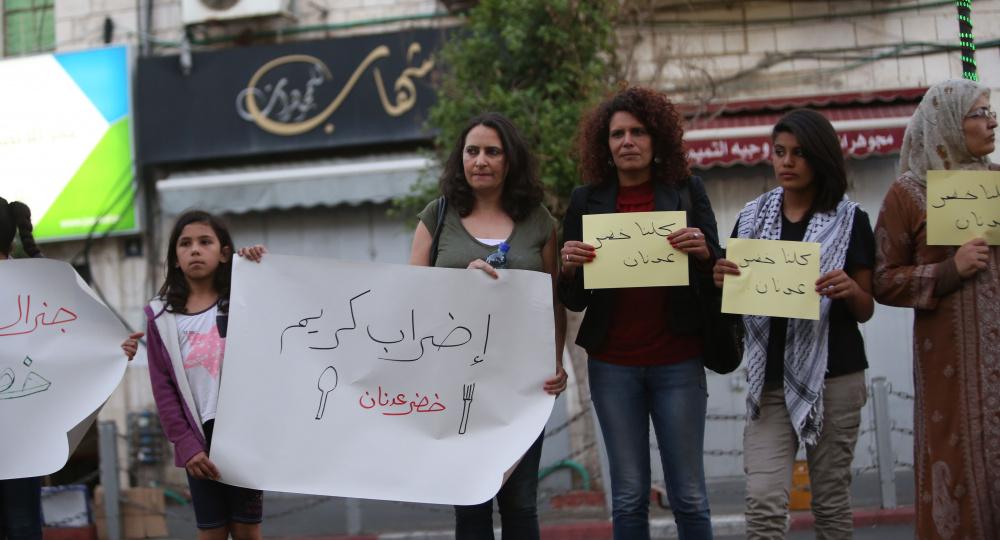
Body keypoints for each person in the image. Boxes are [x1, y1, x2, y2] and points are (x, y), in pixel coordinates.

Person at [558, 86, 717, 539]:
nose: (627, 141)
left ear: (656, 139)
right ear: (605, 145)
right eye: (617, 134)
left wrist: (705, 252)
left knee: (689, 496)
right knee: (628, 497)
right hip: (612, 366)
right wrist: (568, 268)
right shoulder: (585, 200)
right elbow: (575, 299)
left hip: (679, 361)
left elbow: (718, 272)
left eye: (638, 132)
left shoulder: (687, 192)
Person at [712, 109, 874, 539]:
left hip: (836, 377)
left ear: (820, 157)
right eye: (779, 152)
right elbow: (736, 297)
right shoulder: (752, 217)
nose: (786, 162)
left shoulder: (850, 219)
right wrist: (721, 279)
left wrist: (848, 290)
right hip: (769, 381)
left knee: (831, 503)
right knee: (763, 501)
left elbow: (866, 307)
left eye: (799, 153)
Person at [408, 112, 567, 540]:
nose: (480, 160)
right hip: (455, 385)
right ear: (460, 158)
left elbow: (553, 301)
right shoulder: (436, 216)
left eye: (492, 152)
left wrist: (556, 363)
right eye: (472, 151)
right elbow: (411, 297)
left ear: (509, 160)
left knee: (521, 505)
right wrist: (462, 283)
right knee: (470, 504)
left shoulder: (539, 221)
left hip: (522, 387)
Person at [872, 79, 999, 539]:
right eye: (979, 114)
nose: (992, 122)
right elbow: (883, 279)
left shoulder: (996, 182)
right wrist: (949, 270)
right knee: (958, 464)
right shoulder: (908, 194)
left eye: (990, 112)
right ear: (946, 123)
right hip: (950, 369)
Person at [123, 210, 263, 540]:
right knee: (211, 532)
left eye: (205, 242)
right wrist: (186, 445)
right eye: (185, 244)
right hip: (198, 440)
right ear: (175, 258)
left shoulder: (244, 298)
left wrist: (259, 266)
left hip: (244, 433)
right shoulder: (160, 316)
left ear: (224, 253)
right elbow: (163, 387)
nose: (195, 249)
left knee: (247, 531)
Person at [0, 198, 43, 540]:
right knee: (22, 524)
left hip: (22, 441)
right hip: (25, 439)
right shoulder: (41, 285)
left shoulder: (38, 285)